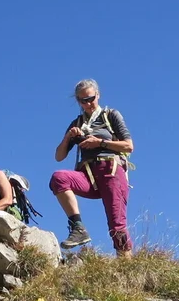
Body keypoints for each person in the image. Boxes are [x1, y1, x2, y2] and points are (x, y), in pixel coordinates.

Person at [48, 78, 135, 256]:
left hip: (111, 171)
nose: (87, 104)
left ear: (98, 95)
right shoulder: (77, 123)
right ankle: (78, 227)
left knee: (116, 224)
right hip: (88, 175)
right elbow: (59, 156)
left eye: (91, 98)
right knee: (59, 178)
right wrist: (69, 137)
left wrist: (100, 143)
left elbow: (128, 146)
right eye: (82, 101)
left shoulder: (110, 115)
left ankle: (127, 267)